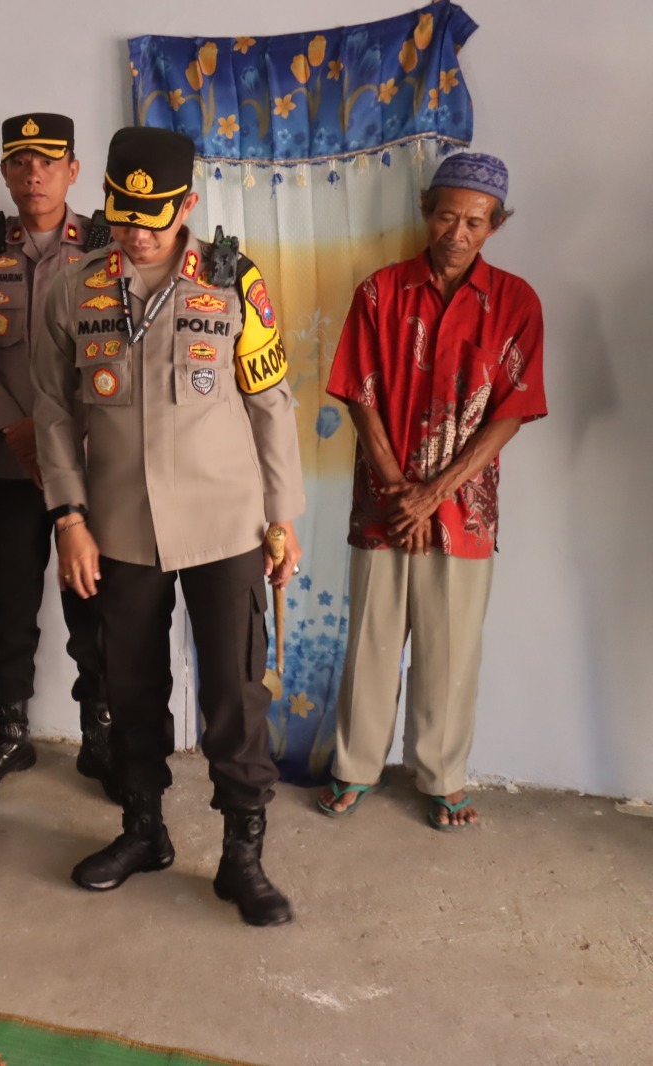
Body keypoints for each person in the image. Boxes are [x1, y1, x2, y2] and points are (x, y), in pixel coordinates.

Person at [32, 127, 305, 927]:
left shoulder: (233, 280)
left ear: (186, 205)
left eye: (153, 218)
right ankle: (143, 830)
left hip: (225, 524)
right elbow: (52, 411)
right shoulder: (75, 289)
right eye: (123, 215)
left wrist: (282, 517)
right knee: (130, 685)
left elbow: (270, 401)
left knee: (235, 693)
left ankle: (241, 857)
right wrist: (68, 517)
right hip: (119, 526)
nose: (137, 233)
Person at [318, 152, 545, 830]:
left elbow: (511, 412)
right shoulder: (380, 293)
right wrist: (401, 493)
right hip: (383, 503)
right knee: (371, 642)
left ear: (495, 225)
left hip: (463, 510)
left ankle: (442, 778)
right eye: (447, 216)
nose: (458, 232)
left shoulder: (516, 303)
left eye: (475, 221)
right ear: (426, 210)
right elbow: (358, 395)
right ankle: (354, 768)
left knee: (450, 653)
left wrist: (434, 494)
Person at [0, 113, 110, 797]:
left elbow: (118, 355)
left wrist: (59, 439)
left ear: (73, 171)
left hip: (90, 469)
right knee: (5, 607)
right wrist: (14, 428)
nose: (33, 174)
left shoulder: (107, 250)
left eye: (48, 162)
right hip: (6, 467)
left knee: (95, 607)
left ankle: (100, 737)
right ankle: (12, 734)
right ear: (5, 172)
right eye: (20, 162)